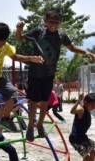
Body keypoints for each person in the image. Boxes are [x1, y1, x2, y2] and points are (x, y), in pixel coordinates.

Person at [16, 9, 95, 141]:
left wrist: (86, 52)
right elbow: (20, 38)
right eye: (51, 22)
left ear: (60, 23)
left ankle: (40, 124)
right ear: (45, 21)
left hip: (49, 73)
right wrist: (19, 29)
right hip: (35, 72)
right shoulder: (38, 32)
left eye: (56, 22)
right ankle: (30, 126)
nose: (53, 24)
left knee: (45, 101)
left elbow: (72, 48)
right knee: (33, 101)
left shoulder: (61, 36)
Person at [69, 93, 95, 161]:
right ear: (85, 102)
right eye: (92, 104)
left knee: (93, 152)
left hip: (83, 137)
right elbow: (72, 111)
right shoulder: (81, 109)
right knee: (87, 157)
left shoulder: (88, 110)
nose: (93, 107)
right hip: (75, 139)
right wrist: (78, 101)